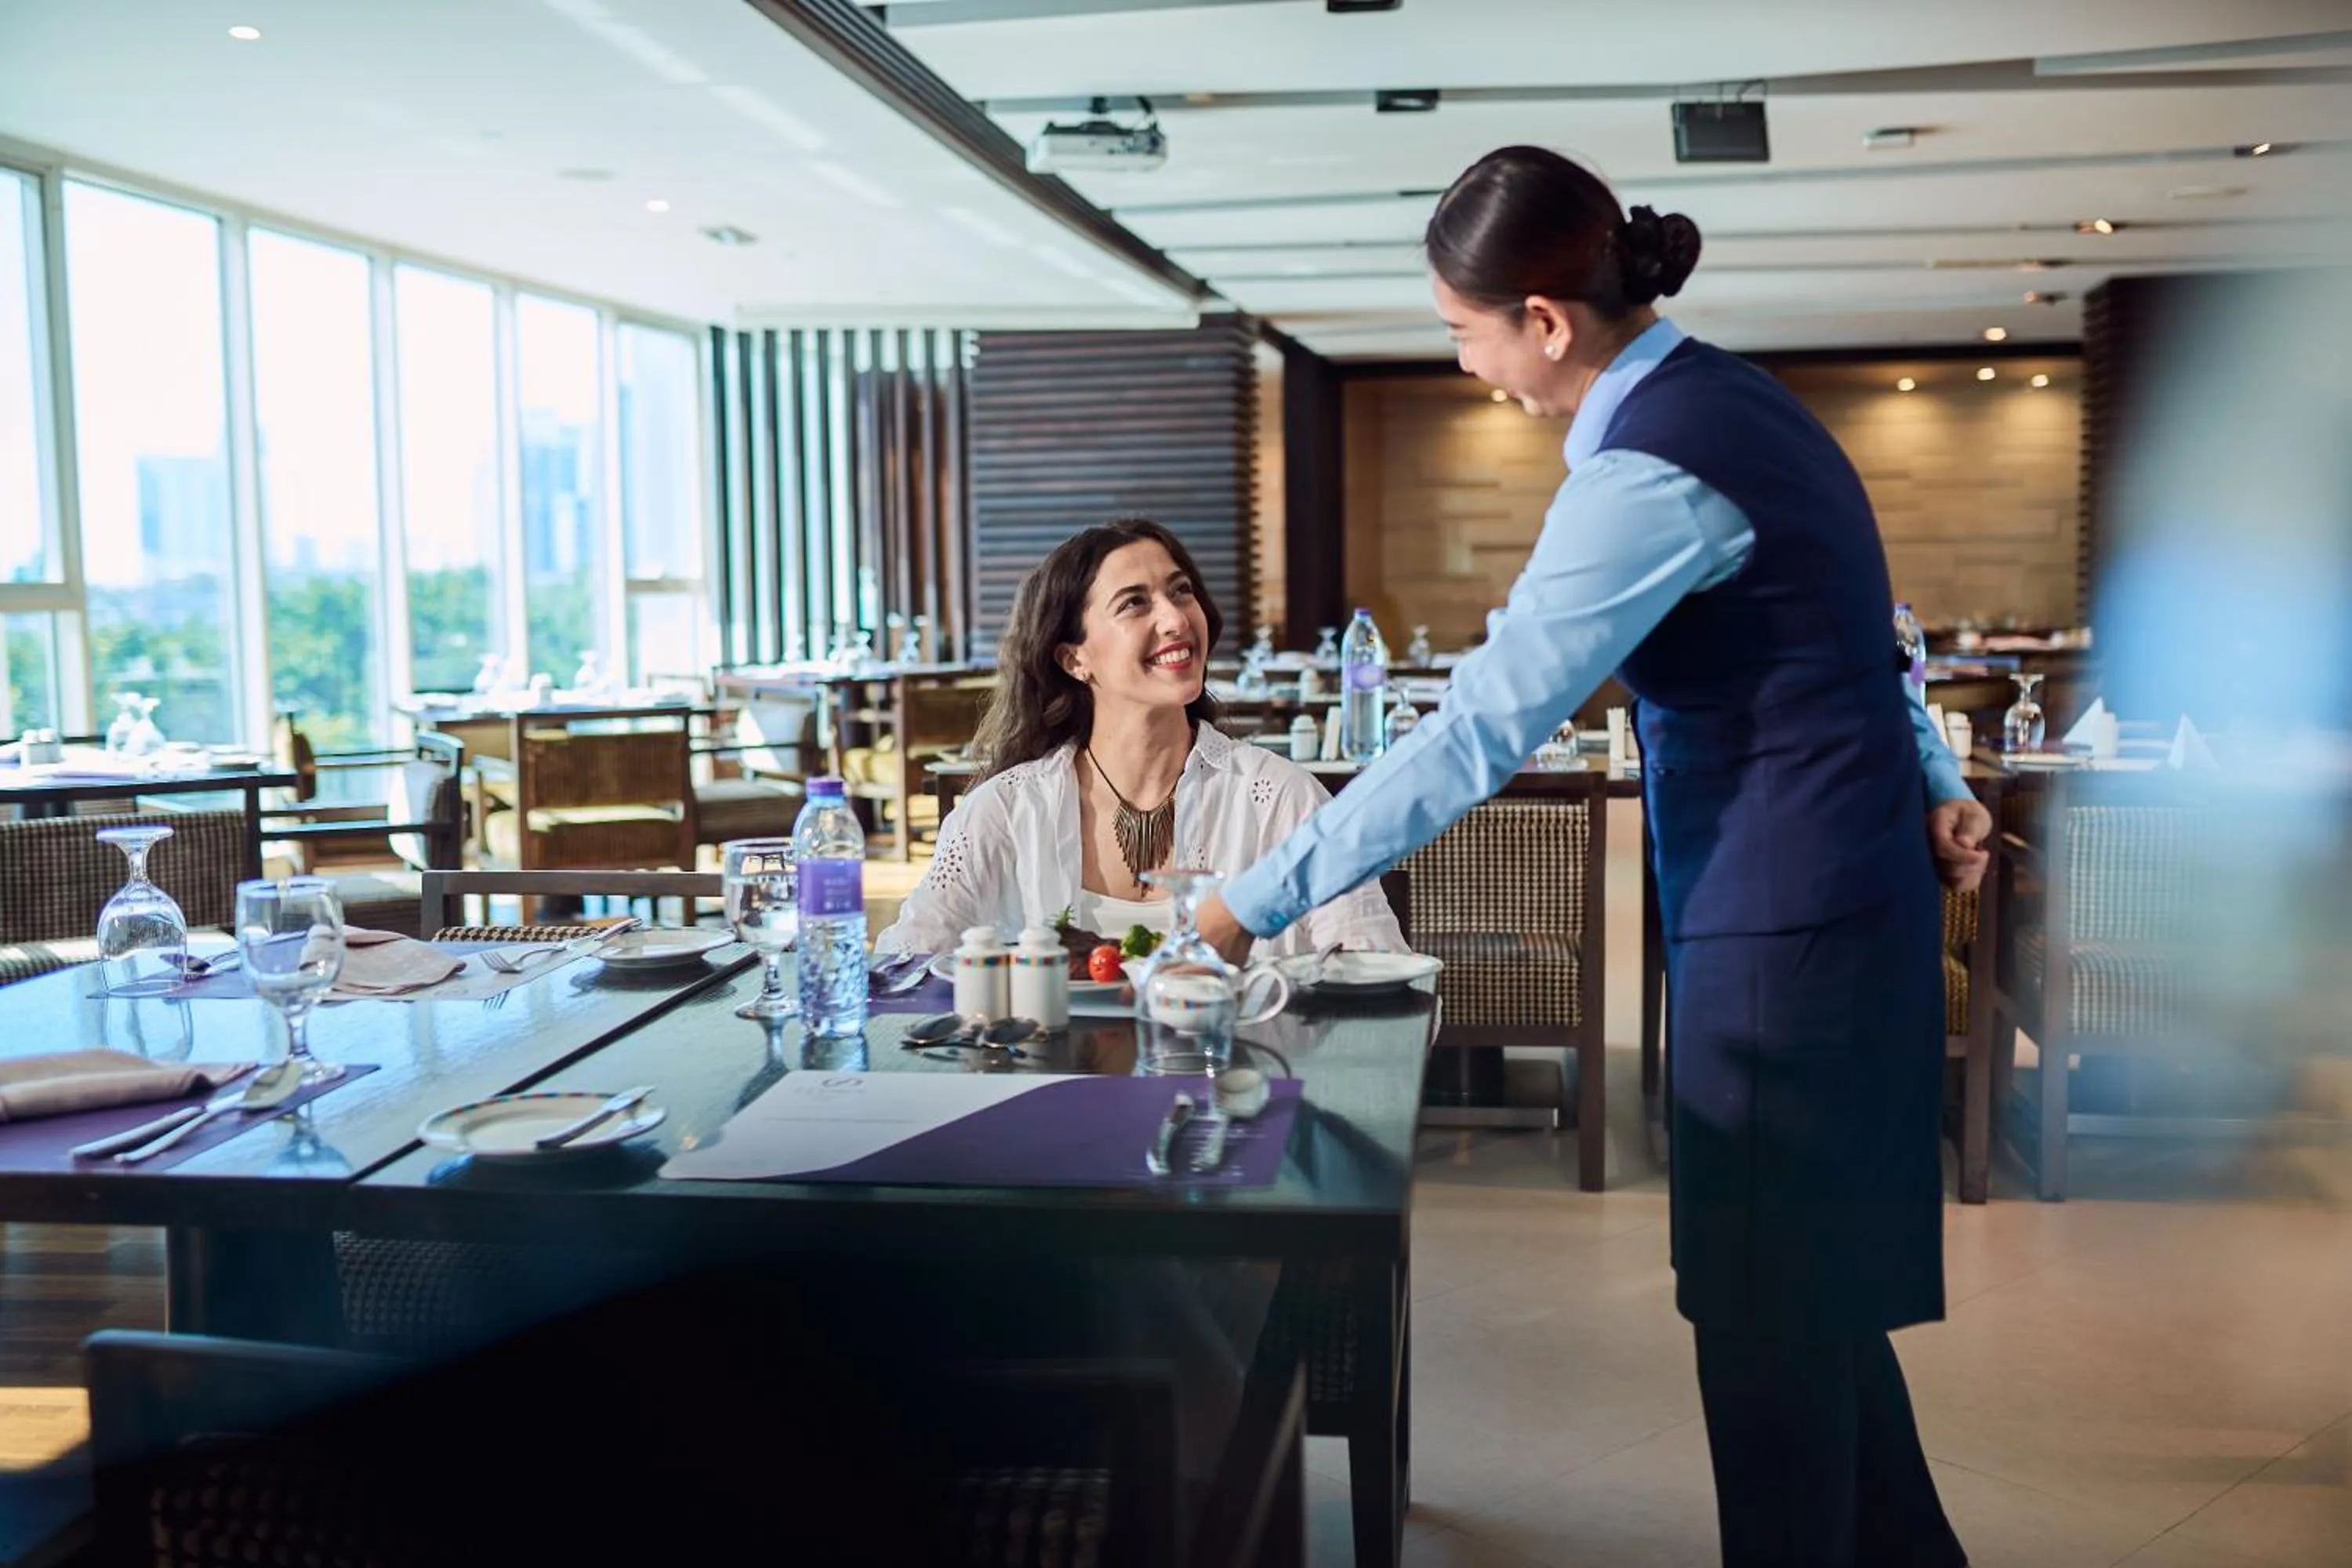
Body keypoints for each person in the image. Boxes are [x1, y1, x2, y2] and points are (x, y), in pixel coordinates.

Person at [1200, 146, 1990, 1568]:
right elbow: (1874, 639)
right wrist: (1932, 776)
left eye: (1462, 330)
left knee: (1762, 1327)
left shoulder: (1647, 469)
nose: (1466, 363)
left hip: (1789, 926)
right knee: (1808, 1301)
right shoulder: (1742, 401)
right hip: (1826, 906)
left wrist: (1245, 901)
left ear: (1544, 321)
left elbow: (1477, 737)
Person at [874, 516, 1403, 958]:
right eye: (1134, 603)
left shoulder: (1277, 799)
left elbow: (1376, 971)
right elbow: (903, 969)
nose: (1176, 618)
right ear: (1074, 658)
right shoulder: (1005, 811)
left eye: (1181, 592)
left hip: (1237, 1076)